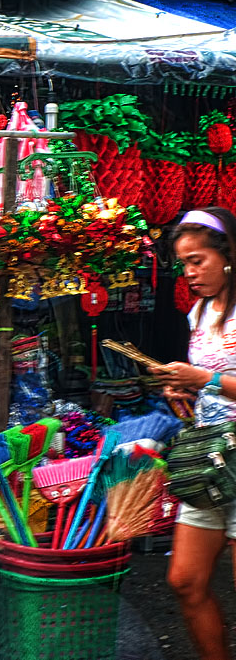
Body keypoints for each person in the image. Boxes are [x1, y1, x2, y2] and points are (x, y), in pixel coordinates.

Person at [153, 207, 236, 660]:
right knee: (185, 580)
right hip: (208, 458)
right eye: (183, 263)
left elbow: (210, 376)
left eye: (197, 260)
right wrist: (178, 388)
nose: (189, 273)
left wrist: (201, 378)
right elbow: (203, 379)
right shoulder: (198, 312)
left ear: (227, 256)